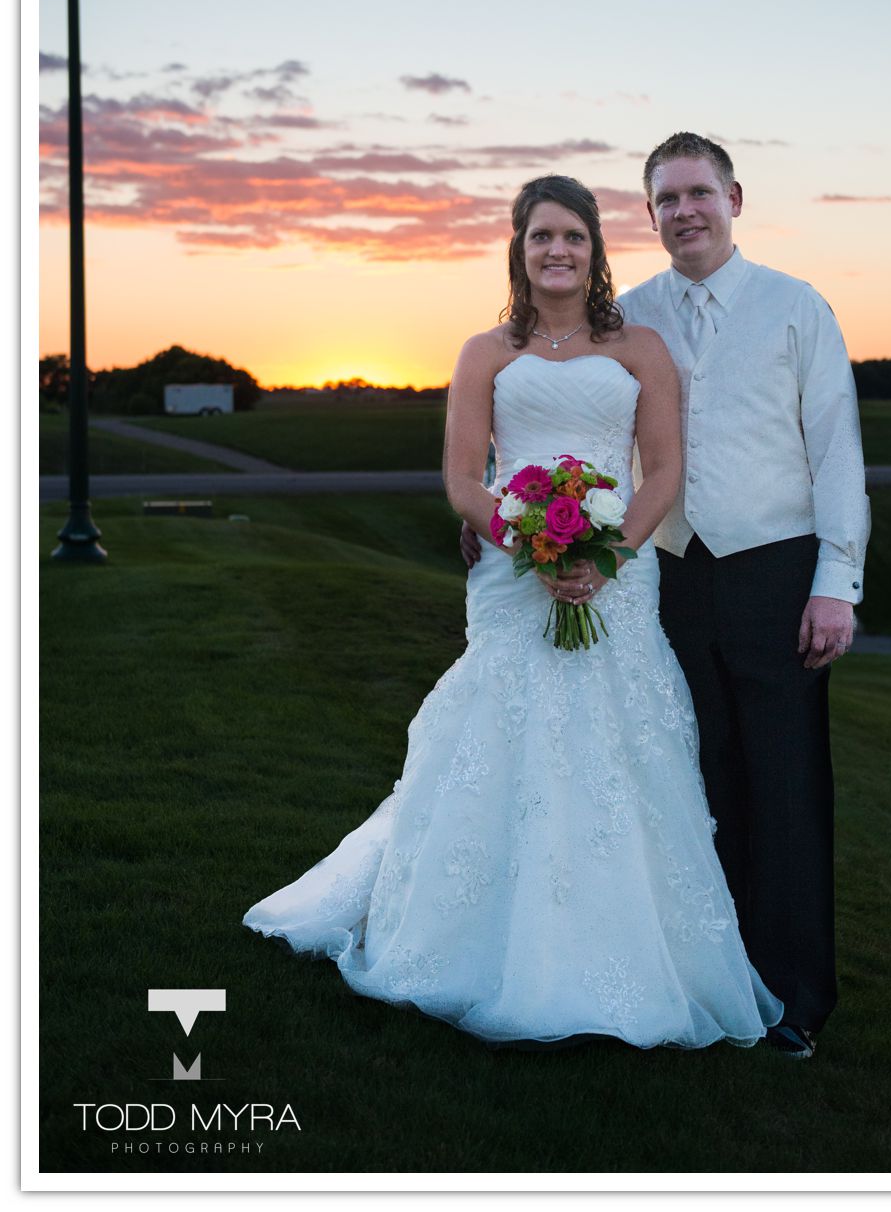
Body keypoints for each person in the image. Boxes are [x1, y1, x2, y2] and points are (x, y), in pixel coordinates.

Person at [244, 174, 782, 1050]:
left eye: (572, 235)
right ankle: (460, 934)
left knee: (615, 742)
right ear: (517, 248)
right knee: (498, 732)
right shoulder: (483, 351)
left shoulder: (639, 347)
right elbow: (461, 477)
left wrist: (602, 561)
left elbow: (663, 471)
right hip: (510, 571)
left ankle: (632, 951)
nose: (557, 250)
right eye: (540, 236)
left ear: (595, 248)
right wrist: (529, 544)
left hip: (622, 571)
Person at [617, 131, 870, 1059]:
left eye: (698, 193)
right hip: (670, 573)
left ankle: (796, 999)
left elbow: (835, 449)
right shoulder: (629, 315)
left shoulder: (795, 306)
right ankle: (713, 985)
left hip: (776, 572)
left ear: (733, 197)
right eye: (665, 200)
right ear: (648, 216)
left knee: (786, 787)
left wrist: (834, 584)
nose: (683, 211)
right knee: (696, 784)